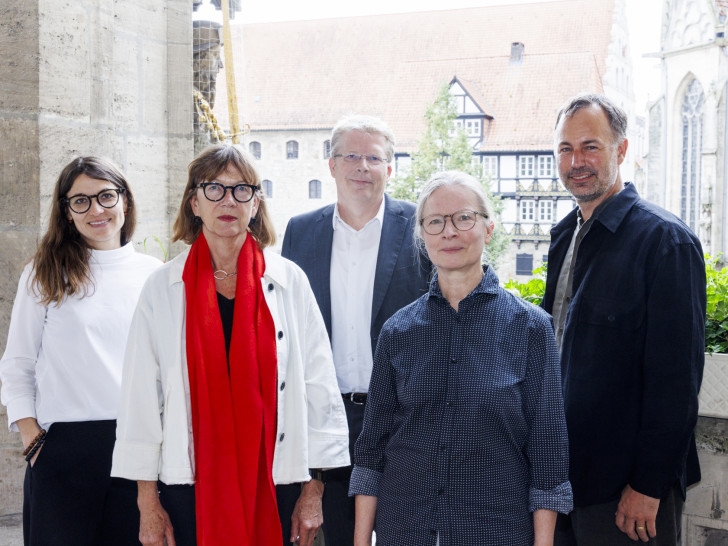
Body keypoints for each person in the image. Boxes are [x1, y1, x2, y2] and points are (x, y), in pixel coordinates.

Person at [111, 144, 349, 546]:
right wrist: (147, 502)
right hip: (187, 481)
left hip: (279, 476)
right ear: (194, 203)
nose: (229, 201)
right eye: (214, 189)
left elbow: (319, 385)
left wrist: (314, 490)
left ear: (256, 204)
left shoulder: (289, 281)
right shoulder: (162, 288)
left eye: (242, 190)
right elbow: (140, 399)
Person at [350, 170, 573, 546]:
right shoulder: (397, 332)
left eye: (463, 218)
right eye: (435, 221)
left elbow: (548, 453)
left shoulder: (531, 329)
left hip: (495, 530)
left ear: (487, 229)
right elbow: (371, 451)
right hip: (405, 530)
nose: (449, 231)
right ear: (422, 236)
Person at [543, 93, 706, 545]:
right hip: (562, 480)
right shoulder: (564, 238)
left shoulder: (665, 242)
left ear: (621, 151)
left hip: (626, 493)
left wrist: (648, 485)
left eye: (590, 146)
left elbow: (676, 379)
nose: (576, 161)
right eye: (565, 148)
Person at [281, 114, 432, 544]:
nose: (362, 166)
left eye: (374, 157)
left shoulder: (421, 227)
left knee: (407, 532)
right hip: (329, 417)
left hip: (404, 417)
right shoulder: (301, 231)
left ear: (390, 167)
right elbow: (289, 332)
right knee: (342, 535)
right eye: (351, 156)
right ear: (331, 165)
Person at [0, 156, 161, 545]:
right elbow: (17, 363)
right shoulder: (44, 272)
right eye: (81, 201)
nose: (96, 210)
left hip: (137, 450)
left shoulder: (156, 274)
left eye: (106, 196)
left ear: (125, 201)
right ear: (66, 211)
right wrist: (33, 441)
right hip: (63, 453)